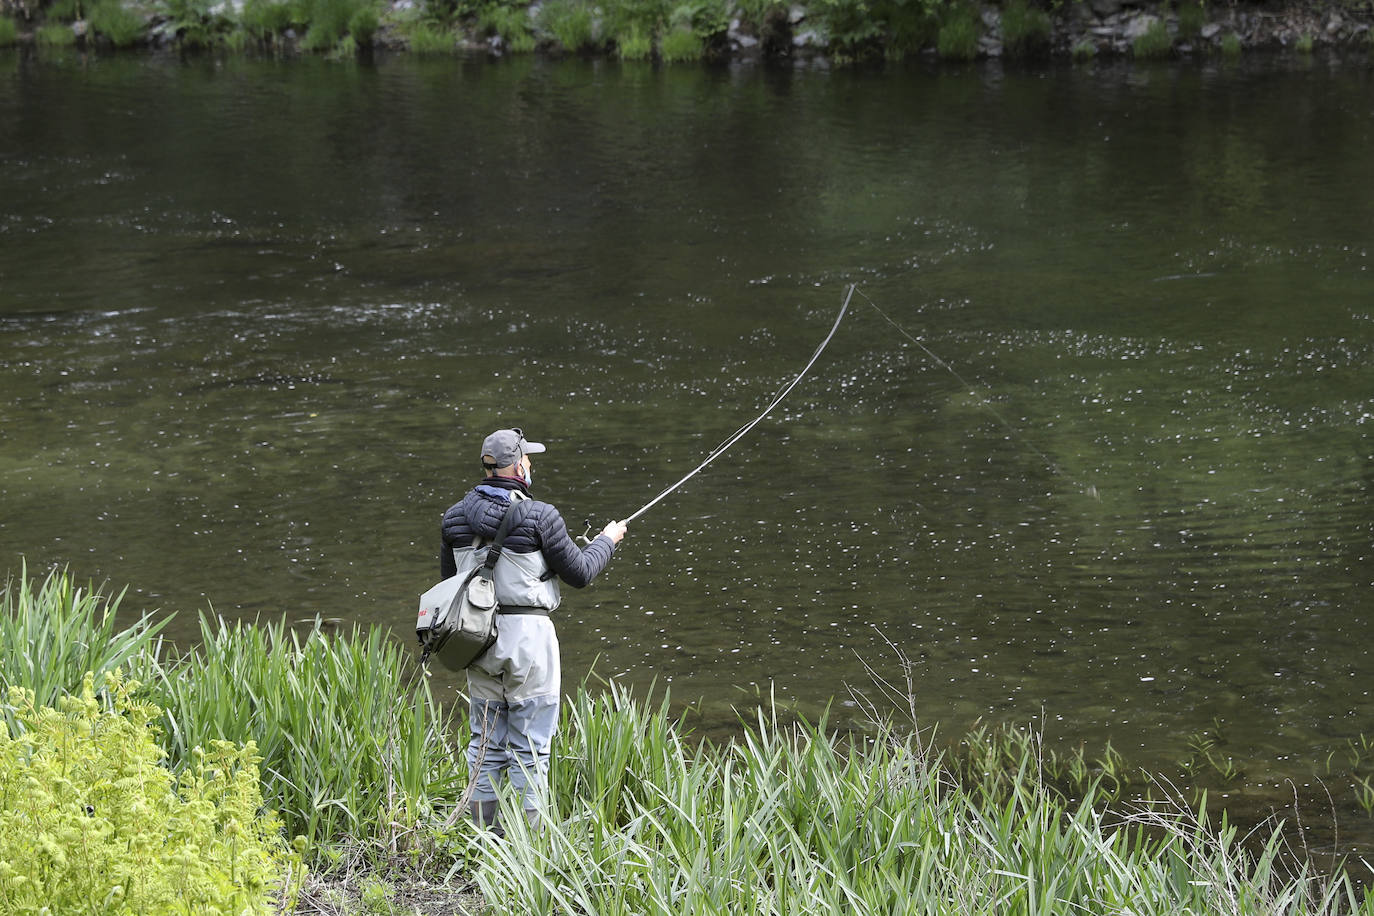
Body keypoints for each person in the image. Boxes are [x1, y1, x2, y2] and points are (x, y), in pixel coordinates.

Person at [441, 427, 627, 834]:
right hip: (529, 641)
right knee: (531, 750)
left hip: (475, 639)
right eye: (528, 458)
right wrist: (606, 541)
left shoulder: (453, 518)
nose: (532, 463)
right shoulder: (539, 515)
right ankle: (528, 848)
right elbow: (579, 573)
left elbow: (448, 584)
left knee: (485, 745)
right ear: (518, 465)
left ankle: (479, 840)